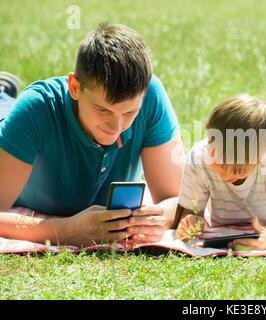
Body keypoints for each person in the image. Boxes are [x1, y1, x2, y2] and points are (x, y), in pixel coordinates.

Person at [0, 23, 185, 247]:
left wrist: (158, 218)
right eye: (103, 110)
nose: (116, 126)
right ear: (74, 87)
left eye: (129, 112)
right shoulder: (35, 108)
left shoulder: (152, 96)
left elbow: (177, 200)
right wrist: (66, 230)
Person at [174, 94, 266, 250]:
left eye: (237, 170)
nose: (225, 174)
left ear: (264, 154)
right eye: (218, 161)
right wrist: (190, 222)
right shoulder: (198, 157)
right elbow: (192, 212)